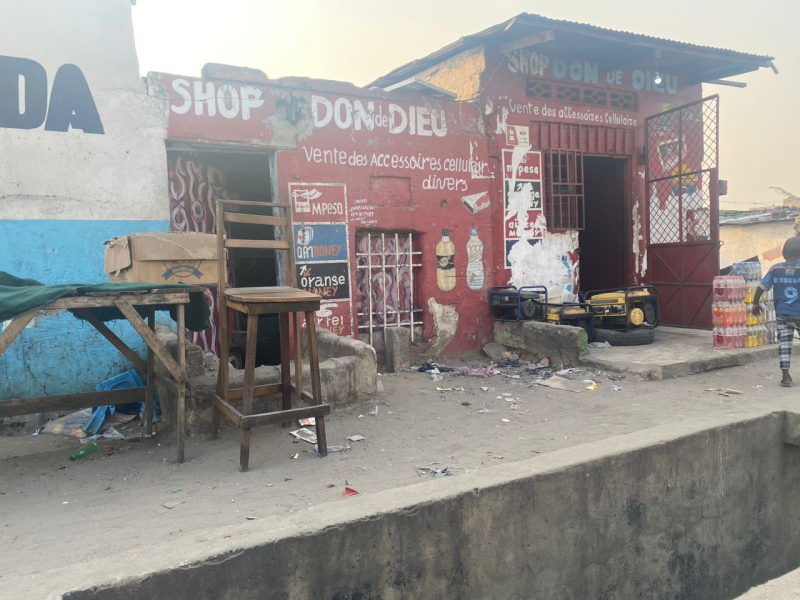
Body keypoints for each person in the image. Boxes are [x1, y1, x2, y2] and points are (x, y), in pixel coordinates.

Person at [753, 237, 800, 387]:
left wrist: (755, 303)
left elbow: (761, 287)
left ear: (783, 253)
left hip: (782, 314)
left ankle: (786, 377)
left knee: (784, 344)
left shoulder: (775, 269)